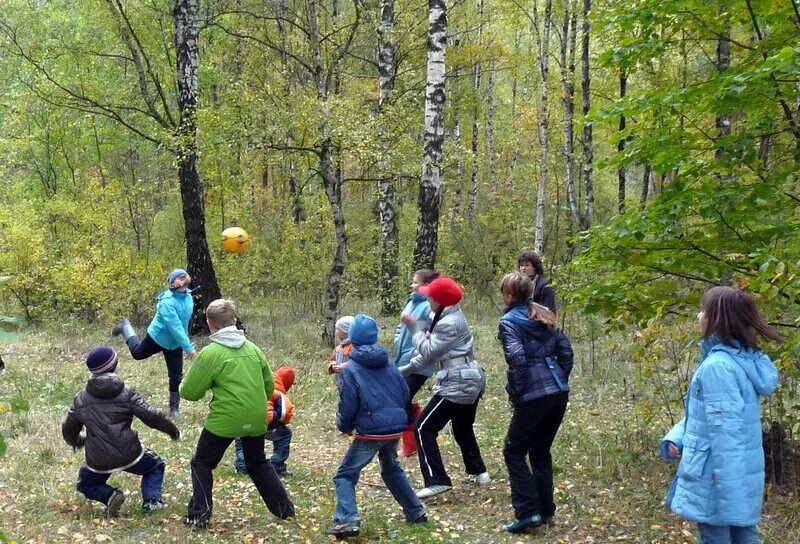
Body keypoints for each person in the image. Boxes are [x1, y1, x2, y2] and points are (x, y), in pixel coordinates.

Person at [661, 286, 783, 544]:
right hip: (735, 475)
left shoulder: (718, 368)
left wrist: (726, 491)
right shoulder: (739, 360)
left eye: (703, 310)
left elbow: (726, 434)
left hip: (716, 478)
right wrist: (678, 437)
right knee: (743, 534)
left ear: (717, 320)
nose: (698, 316)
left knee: (717, 537)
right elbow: (707, 418)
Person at [179, 299, 294, 528]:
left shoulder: (210, 354)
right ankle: (285, 510)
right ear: (234, 321)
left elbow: (190, 392)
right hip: (257, 415)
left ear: (209, 324)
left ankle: (199, 515)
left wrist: (183, 385)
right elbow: (269, 387)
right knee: (258, 462)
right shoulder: (254, 349)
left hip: (226, 419)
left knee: (202, 463)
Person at [329, 314, 427, 538]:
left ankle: (347, 520)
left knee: (344, 475)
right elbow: (404, 393)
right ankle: (416, 512)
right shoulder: (389, 364)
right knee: (391, 469)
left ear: (352, 338)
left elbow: (348, 403)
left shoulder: (351, 368)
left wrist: (344, 425)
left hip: (371, 431)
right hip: (394, 427)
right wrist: (404, 420)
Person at [399, 277, 490, 499]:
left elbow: (429, 351)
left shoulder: (449, 323)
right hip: (468, 379)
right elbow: (429, 353)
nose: (427, 299)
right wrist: (404, 370)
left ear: (440, 301)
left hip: (458, 382)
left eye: (429, 296)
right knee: (463, 428)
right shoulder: (446, 316)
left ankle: (437, 480)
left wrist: (414, 329)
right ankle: (480, 472)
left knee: (423, 428)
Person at [61, 346, 180, 517]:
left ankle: (110, 495)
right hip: (130, 453)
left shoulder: (81, 399)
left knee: (85, 485)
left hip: (98, 458)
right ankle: (152, 502)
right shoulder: (126, 392)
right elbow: (151, 415)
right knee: (155, 466)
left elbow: (69, 428)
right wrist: (171, 430)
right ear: (114, 365)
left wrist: (78, 441)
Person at [497, 273, 573, 533]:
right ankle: (546, 511)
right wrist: (559, 378)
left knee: (514, 450)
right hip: (557, 393)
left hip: (535, 394)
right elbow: (566, 352)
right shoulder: (544, 313)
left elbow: (517, 359)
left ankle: (528, 512)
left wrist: (516, 393)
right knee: (540, 450)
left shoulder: (509, 321)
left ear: (508, 296)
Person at [111, 268, 196, 418]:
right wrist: (189, 348)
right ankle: (126, 327)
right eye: (179, 278)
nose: (183, 280)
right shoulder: (166, 302)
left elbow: (184, 324)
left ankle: (174, 409)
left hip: (174, 344)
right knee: (137, 354)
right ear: (172, 284)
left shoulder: (189, 297)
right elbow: (175, 327)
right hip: (157, 338)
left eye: (185, 277)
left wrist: (185, 342)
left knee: (176, 376)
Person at [393, 269, 439, 457]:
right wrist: (397, 342)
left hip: (420, 363)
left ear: (426, 285)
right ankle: (413, 435)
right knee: (402, 398)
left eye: (415, 282)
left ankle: (411, 441)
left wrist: (417, 351)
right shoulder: (411, 302)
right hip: (402, 359)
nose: (412, 285)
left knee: (401, 397)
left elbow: (432, 332)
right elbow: (401, 328)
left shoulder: (431, 306)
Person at [234, 366, 296, 477]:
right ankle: (277, 465)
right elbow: (284, 413)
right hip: (266, 421)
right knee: (285, 435)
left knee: (242, 439)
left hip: (243, 419)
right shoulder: (277, 392)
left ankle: (242, 465)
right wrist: (275, 417)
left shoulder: (256, 384)